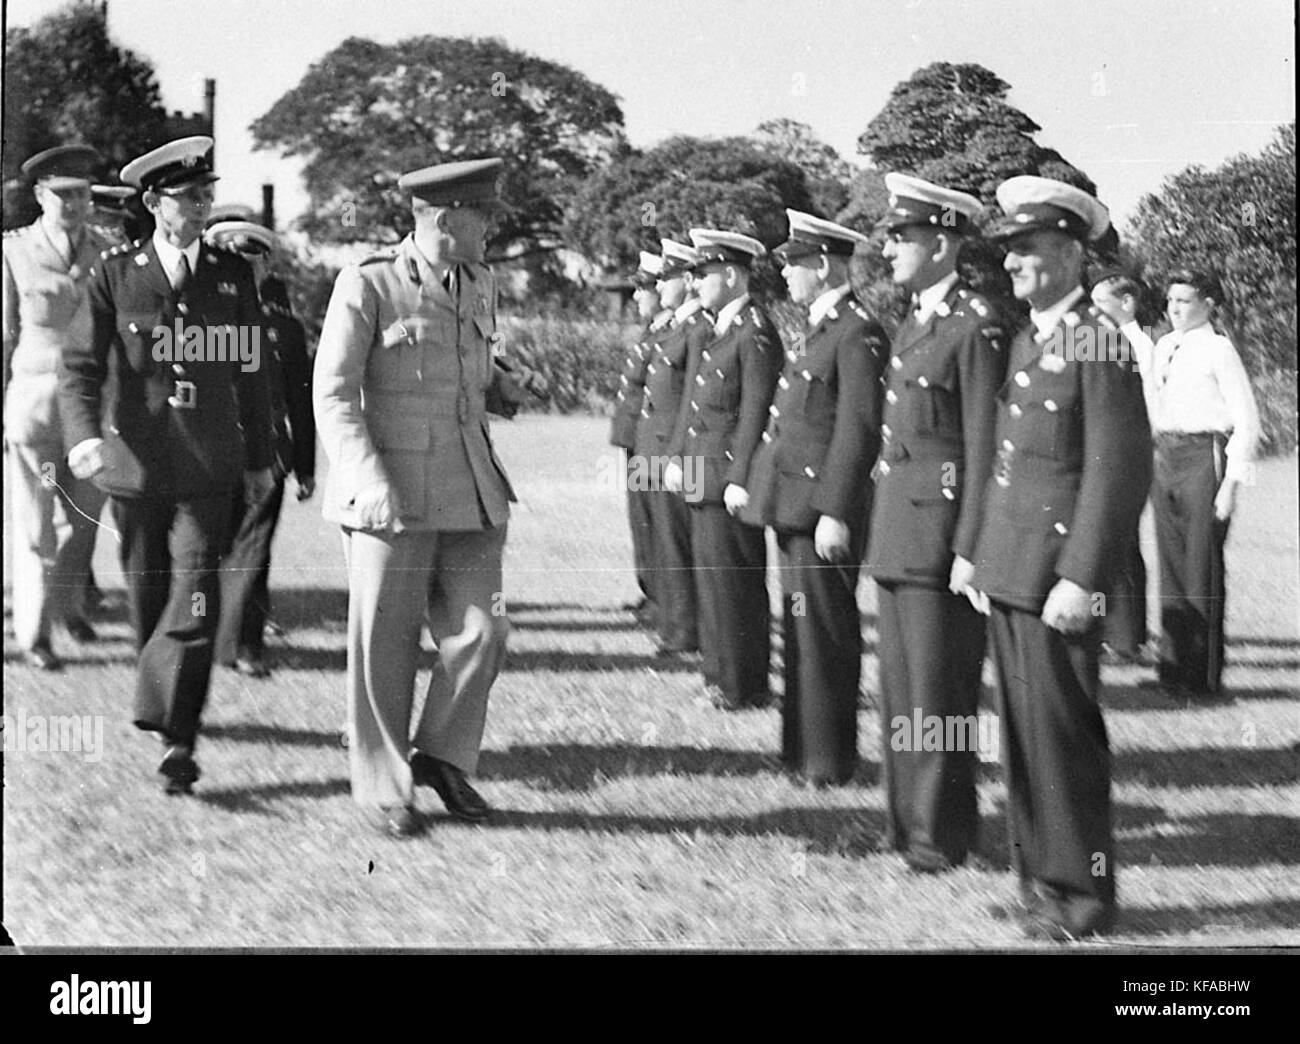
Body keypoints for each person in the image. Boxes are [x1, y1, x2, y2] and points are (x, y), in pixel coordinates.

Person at [313, 157, 541, 838]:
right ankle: (385, 788)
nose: (491, 228)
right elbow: (333, 390)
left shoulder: (480, 281)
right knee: (385, 643)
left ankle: (441, 756)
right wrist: (364, 478)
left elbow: (464, 363)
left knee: (485, 629)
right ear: (447, 220)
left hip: (473, 488)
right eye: (483, 215)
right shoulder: (370, 280)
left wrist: (501, 383)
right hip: (392, 495)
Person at [59, 136, 275, 795]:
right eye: (193, 196)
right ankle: (160, 701)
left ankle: (181, 740)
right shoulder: (116, 272)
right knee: (149, 599)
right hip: (136, 466)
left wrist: (262, 459)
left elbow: (253, 376)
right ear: (154, 203)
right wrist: (83, 438)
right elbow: (80, 368)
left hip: (209, 467)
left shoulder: (230, 275)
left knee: (197, 593)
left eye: (210, 194)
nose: (206, 206)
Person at [966, 176, 1151, 941]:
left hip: (1056, 581)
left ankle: (1080, 896)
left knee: (1063, 741)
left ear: (1073, 254)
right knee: (1022, 740)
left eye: (1028, 249)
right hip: (1011, 572)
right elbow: (1010, 463)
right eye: (1007, 250)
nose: (1011, 264)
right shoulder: (1029, 335)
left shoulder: (1096, 338)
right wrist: (979, 557)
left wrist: (1083, 575)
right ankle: (1039, 884)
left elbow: (1117, 468)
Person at [866, 174, 1006, 866]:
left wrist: (971, 544)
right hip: (898, 532)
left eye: (904, 236)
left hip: (941, 539)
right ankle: (906, 824)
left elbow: (984, 447)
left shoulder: (975, 324)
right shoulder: (915, 320)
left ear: (943, 243)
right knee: (898, 693)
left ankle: (940, 834)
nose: (890, 247)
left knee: (937, 696)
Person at [742, 210, 884, 785]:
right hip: (794, 506)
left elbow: (858, 428)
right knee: (800, 632)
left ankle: (828, 760)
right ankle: (800, 749)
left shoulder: (857, 330)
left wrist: (835, 509)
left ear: (823, 265)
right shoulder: (823, 327)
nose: (787, 277)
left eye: (795, 266)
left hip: (820, 512)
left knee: (824, 635)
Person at [3, 144, 110, 670]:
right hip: (34, 408)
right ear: (41, 196)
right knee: (35, 527)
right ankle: (35, 634)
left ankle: (67, 603)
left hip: (89, 410)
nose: (74, 203)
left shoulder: (109, 252)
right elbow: (3, 337)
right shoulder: (13, 251)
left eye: (82, 194)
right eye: (63, 194)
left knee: (86, 519)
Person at [667, 228, 782, 710]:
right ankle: (718, 676)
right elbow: (693, 403)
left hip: (726, 479)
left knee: (735, 587)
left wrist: (741, 479)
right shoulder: (717, 329)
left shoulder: (754, 330)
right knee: (712, 584)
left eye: (704, 274)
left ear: (732, 276)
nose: (694, 284)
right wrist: (675, 457)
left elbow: (756, 411)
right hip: (701, 472)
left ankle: (743, 685)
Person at [206, 220, 315, 678]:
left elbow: (300, 397)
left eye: (254, 260)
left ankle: (245, 643)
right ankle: (216, 639)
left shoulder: (284, 328)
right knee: (212, 549)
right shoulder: (199, 315)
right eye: (235, 259)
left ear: (268, 265)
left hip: (267, 452)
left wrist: (306, 466)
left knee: (254, 551)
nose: (246, 268)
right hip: (208, 452)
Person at [1147, 270, 1260, 698]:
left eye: (1185, 301)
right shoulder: (1164, 346)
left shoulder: (1219, 349)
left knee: (1201, 568)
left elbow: (1248, 423)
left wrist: (1232, 485)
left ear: (1209, 303)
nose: (1175, 309)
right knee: (1171, 565)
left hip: (1204, 457)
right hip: (1166, 455)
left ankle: (1203, 678)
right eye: (1171, 301)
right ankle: (1173, 669)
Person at [634, 239, 706, 658]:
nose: (659, 286)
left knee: (681, 543)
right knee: (662, 538)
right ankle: (670, 619)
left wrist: (678, 456)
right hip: (653, 448)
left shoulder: (696, 329)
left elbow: (691, 399)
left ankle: (685, 629)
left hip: (678, 453)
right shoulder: (677, 327)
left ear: (688, 281)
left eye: (667, 278)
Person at [1089, 271, 1156, 663]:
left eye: (1103, 302)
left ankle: (1129, 640)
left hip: (1129, 452)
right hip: (1107, 452)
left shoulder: (1137, 344)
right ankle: (1111, 632)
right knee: (1108, 544)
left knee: (1124, 546)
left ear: (1127, 303)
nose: (1095, 310)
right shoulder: (1100, 340)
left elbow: (1143, 407)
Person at [610, 250, 671, 625]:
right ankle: (652, 592)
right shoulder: (652, 332)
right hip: (638, 440)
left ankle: (667, 598)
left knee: (660, 521)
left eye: (642, 289)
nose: (637, 297)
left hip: (656, 443)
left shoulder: (669, 331)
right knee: (642, 520)